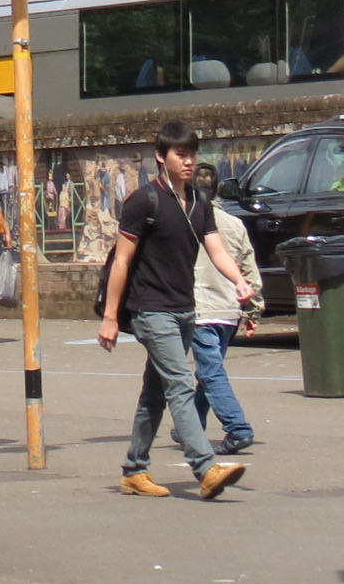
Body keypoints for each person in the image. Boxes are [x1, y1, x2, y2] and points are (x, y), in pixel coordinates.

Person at [98, 121, 255, 500]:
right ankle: (205, 468)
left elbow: (216, 249)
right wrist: (110, 317)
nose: (188, 162)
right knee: (182, 385)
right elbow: (121, 261)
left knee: (155, 392)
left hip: (185, 309)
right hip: (151, 310)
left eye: (191, 154)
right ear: (160, 157)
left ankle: (134, 470)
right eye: (180, 155)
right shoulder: (144, 201)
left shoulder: (200, 202)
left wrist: (239, 281)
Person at [188, 166, 257, 455]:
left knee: (211, 371)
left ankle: (237, 428)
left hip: (200, 307)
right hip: (229, 309)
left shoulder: (188, 222)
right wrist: (252, 311)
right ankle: (189, 425)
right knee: (210, 371)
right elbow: (250, 271)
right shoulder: (234, 224)